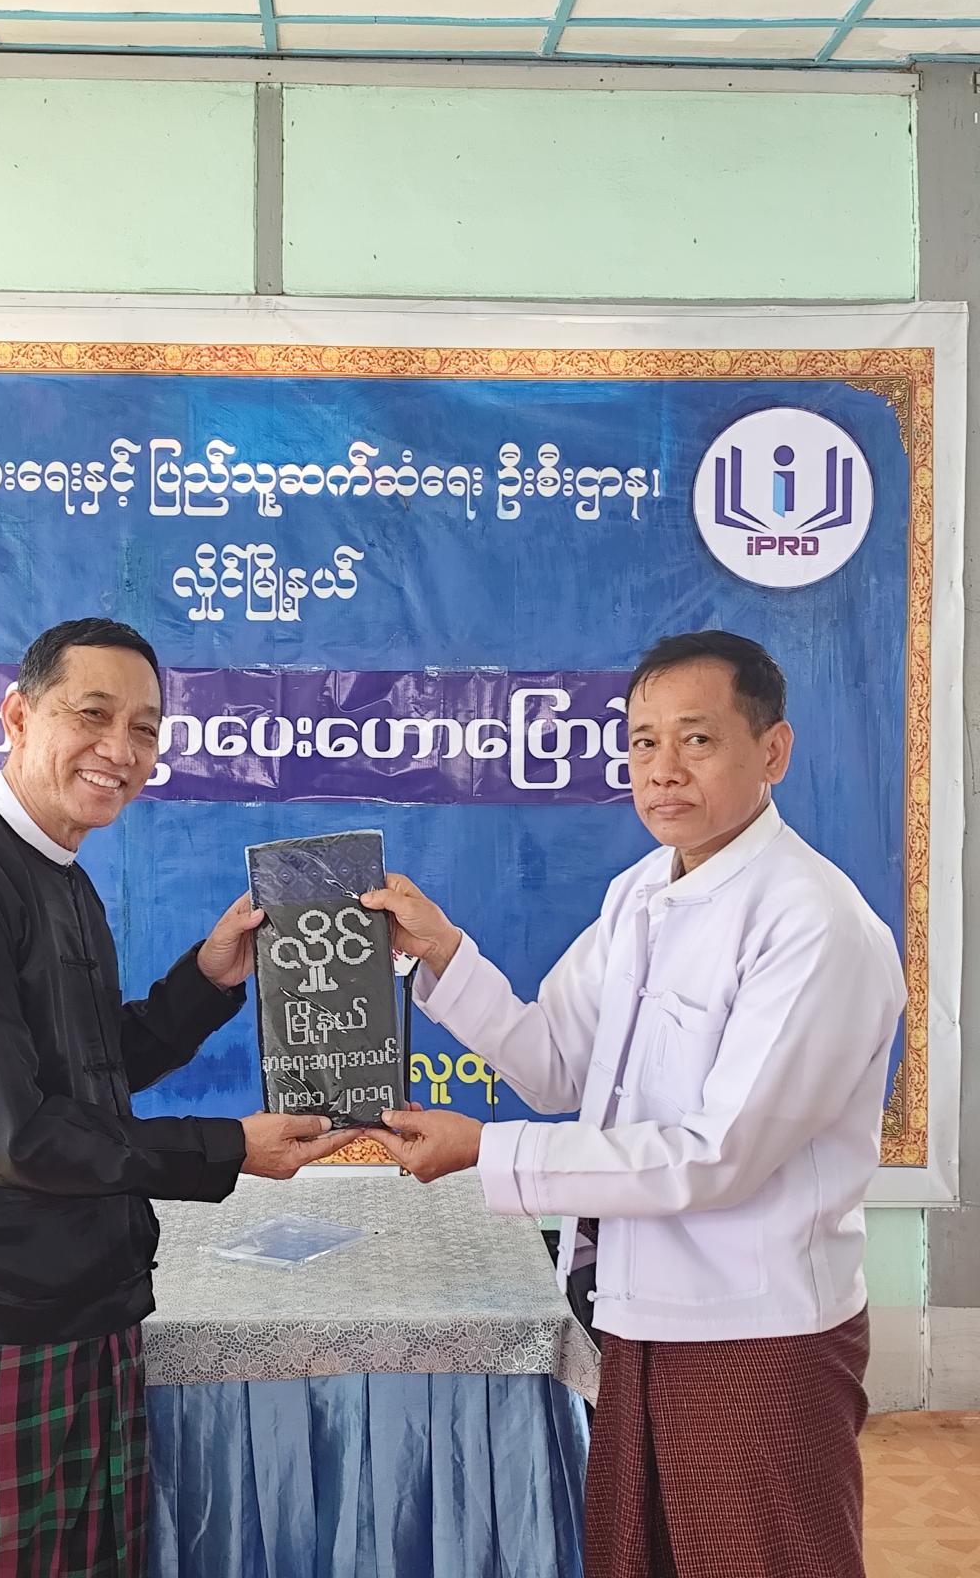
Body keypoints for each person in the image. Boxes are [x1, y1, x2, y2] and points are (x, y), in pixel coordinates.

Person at [363, 630, 906, 1578]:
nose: (663, 771)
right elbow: (554, 1065)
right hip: (633, 1313)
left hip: (757, 1334)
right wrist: (441, 952)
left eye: (697, 740)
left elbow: (712, 1156)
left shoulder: (813, 924)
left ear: (772, 751)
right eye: (643, 742)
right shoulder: (641, 893)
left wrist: (488, 1152)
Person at [0, 618, 353, 1578]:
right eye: (92, 715)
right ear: (17, 716)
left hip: (88, 1320)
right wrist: (228, 1148)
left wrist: (206, 980)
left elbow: (88, 1072)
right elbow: (8, 1135)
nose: (120, 750)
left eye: (145, 728)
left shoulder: (60, 875)